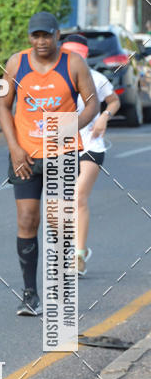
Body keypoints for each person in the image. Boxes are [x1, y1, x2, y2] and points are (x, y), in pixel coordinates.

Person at [0, 11, 99, 316]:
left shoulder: (73, 63)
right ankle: (30, 294)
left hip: (62, 153)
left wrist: (72, 124)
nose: (40, 41)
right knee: (27, 220)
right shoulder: (17, 63)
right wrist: (14, 148)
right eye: (35, 36)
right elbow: (3, 106)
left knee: (58, 224)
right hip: (25, 156)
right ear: (29, 38)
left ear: (57, 35)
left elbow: (93, 102)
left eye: (46, 35)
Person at [61, 34, 120, 276]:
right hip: (62, 146)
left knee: (78, 197)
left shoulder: (96, 79)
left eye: (77, 56)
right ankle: (71, 244)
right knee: (60, 204)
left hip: (91, 145)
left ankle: (79, 254)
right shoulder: (55, 81)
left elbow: (113, 101)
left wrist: (104, 117)